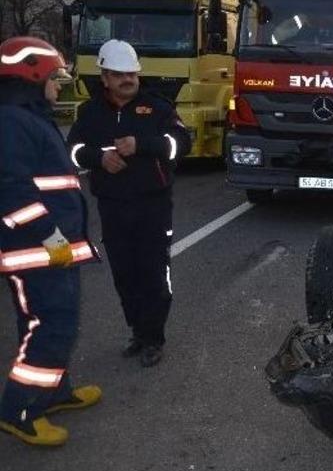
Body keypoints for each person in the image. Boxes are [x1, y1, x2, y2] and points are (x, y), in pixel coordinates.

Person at [0, 36, 102, 446]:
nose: (58, 85)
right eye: (54, 78)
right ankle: (19, 411)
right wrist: (51, 235)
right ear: (32, 76)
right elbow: (10, 190)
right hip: (38, 250)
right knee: (51, 326)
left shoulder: (27, 117)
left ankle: (55, 392)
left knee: (52, 323)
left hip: (52, 250)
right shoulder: (12, 120)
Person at [67, 39, 190, 368]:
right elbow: (72, 151)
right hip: (113, 206)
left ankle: (154, 338)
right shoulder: (89, 113)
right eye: (119, 74)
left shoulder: (158, 108)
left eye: (132, 74)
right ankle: (137, 331)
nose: (128, 80)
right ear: (104, 77)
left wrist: (142, 144)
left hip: (153, 206)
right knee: (124, 274)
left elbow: (181, 144)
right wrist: (98, 158)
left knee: (154, 273)